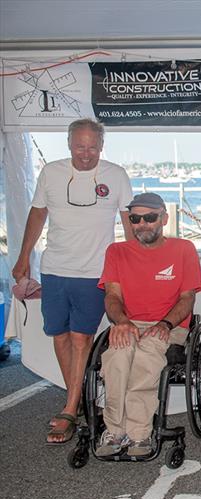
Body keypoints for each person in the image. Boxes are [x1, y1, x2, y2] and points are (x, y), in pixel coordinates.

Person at [11, 118, 133, 445]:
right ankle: (79, 401)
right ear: (69, 144)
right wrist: (23, 257)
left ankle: (68, 409)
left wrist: (135, 264)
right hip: (54, 269)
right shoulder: (51, 172)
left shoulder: (115, 175)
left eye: (93, 146)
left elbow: (128, 223)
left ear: (101, 146)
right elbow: (37, 214)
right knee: (60, 336)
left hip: (94, 272)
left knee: (82, 339)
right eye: (80, 146)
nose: (86, 153)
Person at [95, 193, 201, 457]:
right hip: (129, 323)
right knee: (118, 355)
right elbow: (112, 295)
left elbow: (187, 298)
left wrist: (165, 324)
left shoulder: (183, 249)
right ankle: (114, 430)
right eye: (135, 219)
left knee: (146, 355)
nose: (142, 224)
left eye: (149, 217)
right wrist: (121, 323)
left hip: (169, 324)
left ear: (163, 219)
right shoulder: (117, 251)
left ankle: (139, 433)